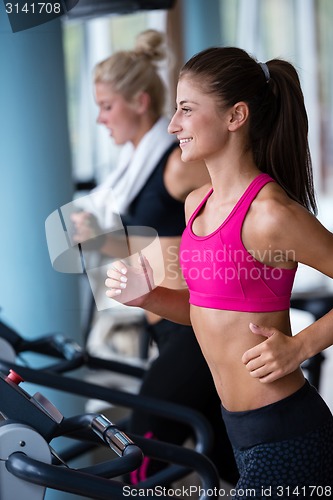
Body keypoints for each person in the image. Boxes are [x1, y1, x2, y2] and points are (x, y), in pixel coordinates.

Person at [105, 46, 333, 496]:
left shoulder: (270, 215)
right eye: (175, 110)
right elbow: (202, 310)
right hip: (241, 432)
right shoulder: (197, 205)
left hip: (287, 432)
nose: (173, 126)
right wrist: (149, 297)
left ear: (235, 117)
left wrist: (300, 347)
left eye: (186, 110)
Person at [71, 31, 238, 485]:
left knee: (142, 460)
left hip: (192, 330)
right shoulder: (132, 172)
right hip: (166, 326)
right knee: (228, 457)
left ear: (139, 101)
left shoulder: (176, 162)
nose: (101, 118)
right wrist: (97, 241)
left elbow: (237, 198)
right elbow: (146, 246)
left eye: (107, 106)